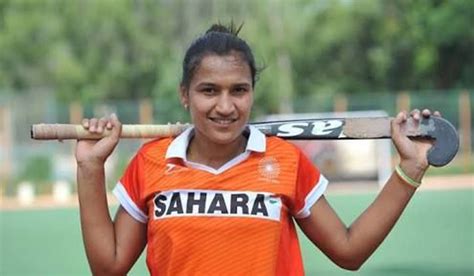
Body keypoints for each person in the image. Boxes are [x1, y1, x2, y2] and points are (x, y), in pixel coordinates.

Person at [75, 23, 440, 275]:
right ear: (184, 94)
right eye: (208, 90)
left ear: (252, 92)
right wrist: (91, 168)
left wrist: (411, 168)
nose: (225, 106)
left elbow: (349, 251)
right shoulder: (151, 162)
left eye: (239, 89)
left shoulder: (284, 160)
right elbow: (109, 268)